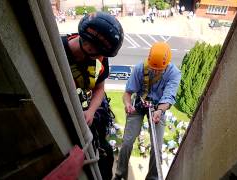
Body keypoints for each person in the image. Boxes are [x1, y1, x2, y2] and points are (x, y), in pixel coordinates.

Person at [61, 12, 124, 180]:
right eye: (101, 53)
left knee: (105, 154)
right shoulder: (57, 52)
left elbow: (99, 88)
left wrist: (91, 111)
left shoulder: (99, 57)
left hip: (85, 107)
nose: (102, 58)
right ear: (88, 46)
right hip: (65, 108)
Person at [114, 42, 181, 180]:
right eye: (153, 68)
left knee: (157, 147)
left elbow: (168, 97)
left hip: (158, 108)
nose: (155, 71)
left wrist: (160, 111)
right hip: (139, 105)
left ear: (166, 65)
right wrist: (127, 104)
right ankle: (120, 175)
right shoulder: (140, 69)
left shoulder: (173, 73)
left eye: (159, 69)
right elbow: (127, 93)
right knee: (127, 142)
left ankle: (153, 177)